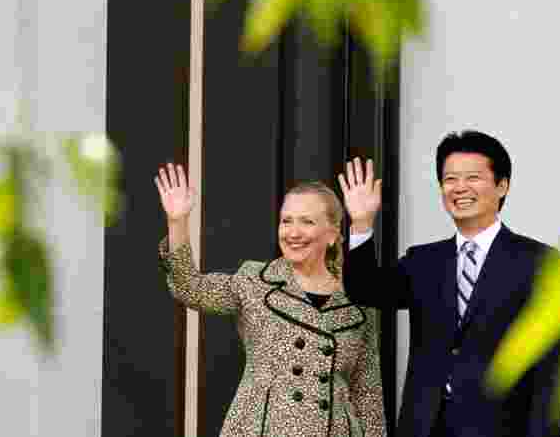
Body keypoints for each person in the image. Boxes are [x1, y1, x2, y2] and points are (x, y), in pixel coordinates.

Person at [339, 131, 560, 437]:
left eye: (473, 177)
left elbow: (550, 365)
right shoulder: (424, 261)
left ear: (502, 185)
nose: (460, 188)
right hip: (425, 427)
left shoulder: (538, 261)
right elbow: (365, 289)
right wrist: (361, 223)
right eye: (450, 179)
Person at [154, 162, 387, 437]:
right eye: (286, 221)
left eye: (307, 221)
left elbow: (367, 391)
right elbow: (190, 288)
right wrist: (177, 221)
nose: (293, 232)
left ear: (333, 234)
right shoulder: (255, 281)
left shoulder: (360, 297)